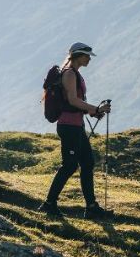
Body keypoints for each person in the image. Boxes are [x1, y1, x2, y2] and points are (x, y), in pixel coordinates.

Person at [40, 42, 112, 219]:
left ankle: (91, 206)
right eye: (87, 56)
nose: (89, 59)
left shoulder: (76, 74)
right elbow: (72, 100)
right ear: (79, 55)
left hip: (76, 125)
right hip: (69, 126)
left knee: (87, 163)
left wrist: (93, 111)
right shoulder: (70, 74)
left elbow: (76, 102)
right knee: (70, 165)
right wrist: (96, 109)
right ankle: (49, 204)